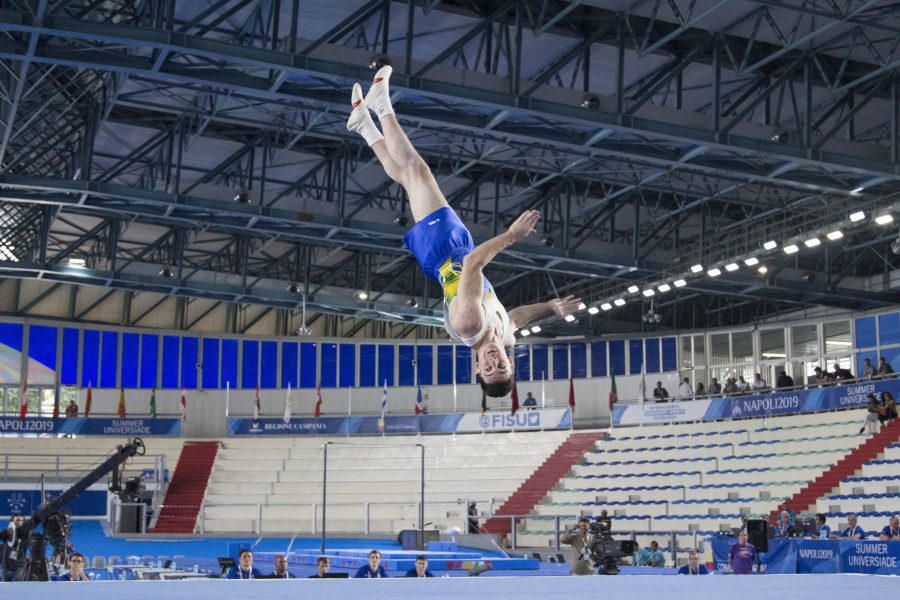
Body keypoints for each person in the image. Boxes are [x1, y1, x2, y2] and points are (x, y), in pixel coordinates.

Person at [347, 66, 581, 398]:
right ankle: (364, 125)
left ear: (476, 368)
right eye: (501, 366)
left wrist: (512, 236)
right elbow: (516, 317)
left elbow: (472, 264)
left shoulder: (470, 324)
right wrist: (551, 308)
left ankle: (382, 105)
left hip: (444, 249)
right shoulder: (505, 337)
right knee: (407, 177)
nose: (494, 361)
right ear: (510, 363)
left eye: (488, 368)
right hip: (452, 249)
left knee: (418, 171)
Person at [0, 513, 31, 582]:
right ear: (12, 522)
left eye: (21, 520)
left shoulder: (27, 534)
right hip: (6, 567)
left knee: (16, 585)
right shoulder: (6, 532)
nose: (19, 522)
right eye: (17, 520)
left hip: (18, 567)